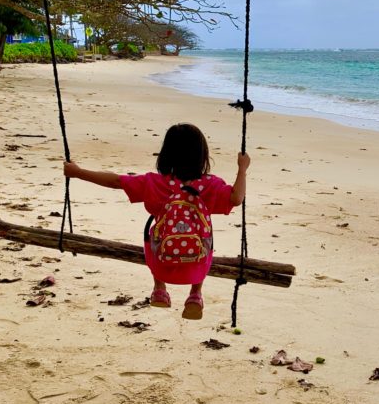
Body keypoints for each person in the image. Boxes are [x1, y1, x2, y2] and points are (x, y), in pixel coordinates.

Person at [63, 123, 249, 320]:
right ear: (202, 155)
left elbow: (116, 181)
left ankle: (159, 288)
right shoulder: (210, 185)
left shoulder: (155, 182)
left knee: (153, 235)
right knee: (205, 238)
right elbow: (236, 198)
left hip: (161, 258)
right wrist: (242, 169)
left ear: (166, 154)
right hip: (197, 261)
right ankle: (195, 294)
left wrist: (78, 172)